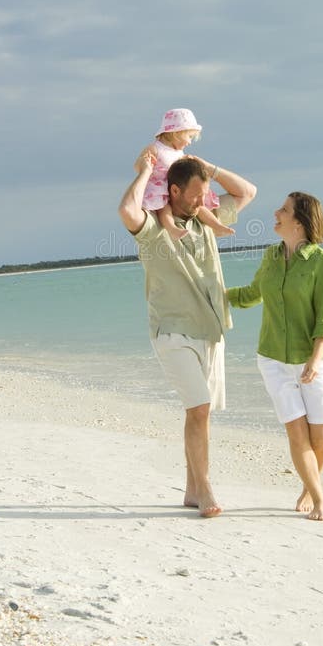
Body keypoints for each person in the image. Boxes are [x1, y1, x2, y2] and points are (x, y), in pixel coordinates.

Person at [118, 146, 256, 517]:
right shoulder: (152, 229)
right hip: (172, 331)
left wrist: (205, 167)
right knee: (198, 408)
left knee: (200, 413)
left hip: (210, 329)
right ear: (174, 191)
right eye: (193, 193)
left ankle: (192, 490)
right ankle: (206, 488)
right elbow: (127, 210)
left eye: (203, 193)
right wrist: (147, 172)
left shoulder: (203, 217)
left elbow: (247, 192)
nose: (200, 200)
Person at [227, 192, 323, 521]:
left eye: (284, 210)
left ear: (300, 221)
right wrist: (213, 294)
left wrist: (315, 360)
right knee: (296, 432)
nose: (276, 213)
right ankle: (319, 498)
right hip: (273, 359)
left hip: (313, 360)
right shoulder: (271, 257)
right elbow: (251, 295)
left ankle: (308, 485)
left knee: (320, 436)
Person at [142, 108, 235, 241]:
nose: (190, 142)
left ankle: (217, 225)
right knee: (164, 208)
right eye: (189, 136)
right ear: (176, 133)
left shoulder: (179, 152)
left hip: (178, 185)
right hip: (160, 186)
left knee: (200, 205)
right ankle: (171, 228)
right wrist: (147, 165)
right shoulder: (156, 148)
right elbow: (138, 165)